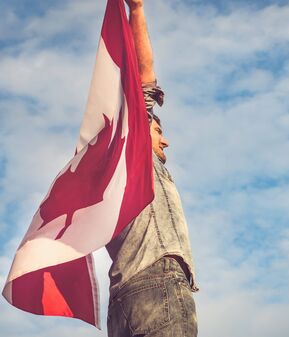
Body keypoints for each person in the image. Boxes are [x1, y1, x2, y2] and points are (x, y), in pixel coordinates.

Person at [104, 1, 199, 336]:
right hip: (156, 284)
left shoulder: (110, 175)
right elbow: (144, 80)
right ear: (141, 132)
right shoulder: (137, 154)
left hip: (120, 303)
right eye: (159, 131)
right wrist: (138, 10)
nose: (166, 142)